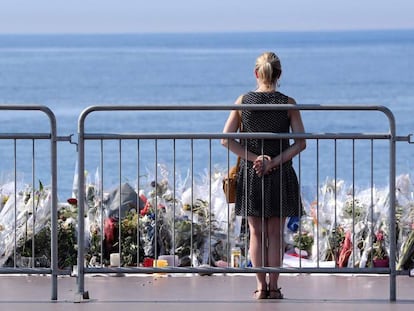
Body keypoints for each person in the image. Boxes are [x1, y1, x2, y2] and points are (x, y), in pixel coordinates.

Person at [221, 51, 306, 300]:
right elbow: (301, 143)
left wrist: (255, 159)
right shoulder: (288, 103)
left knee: (256, 233)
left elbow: (226, 140)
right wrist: (274, 161)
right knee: (275, 234)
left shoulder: (243, 101)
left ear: (256, 73)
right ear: (279, 74)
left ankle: (260, 287)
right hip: (281, 173)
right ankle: (275, 286)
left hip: (251, 173)